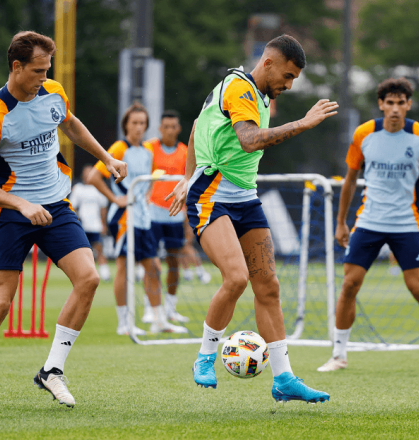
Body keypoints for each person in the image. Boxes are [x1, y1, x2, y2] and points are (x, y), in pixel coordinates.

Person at [0, 31, 127, 411]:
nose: (43, 76)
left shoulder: (52, 91)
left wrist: (106, 157)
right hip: (12, 215)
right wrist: (20, 204)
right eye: (36, 70)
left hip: (56, 206)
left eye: (46, 69)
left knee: (90, 278)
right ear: (16, 67)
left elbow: (71, 125)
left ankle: (52, 370)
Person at [167, 34, 338, 403]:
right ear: (269, 62)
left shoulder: (257, 94)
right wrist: (303, 124)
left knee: (269, 285)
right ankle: (204, 356)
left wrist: (185, 173)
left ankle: (284, 379)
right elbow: (248, 140)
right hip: (212, 195)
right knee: (236, 278)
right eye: (288, 76)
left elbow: (199, 123)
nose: (289, 85)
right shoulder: (240, 89)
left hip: (245, 197)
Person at [316, 77, 419, 373]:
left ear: (409, 105)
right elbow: (350, 180)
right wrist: (341, 222)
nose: (395, 108)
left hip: (407, 223)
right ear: (381, 104)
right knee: (349, 285)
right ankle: (339, 354)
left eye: (400, 103)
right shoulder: (364, 134)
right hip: (369, 221)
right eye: (389, 103)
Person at [88, 102, 187, 336]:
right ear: (126, 125)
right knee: (123, 266)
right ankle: (124, 323)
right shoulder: (119, 148)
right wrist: (115, 198)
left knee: (153, 265)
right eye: (134, 122)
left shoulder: (147, 151)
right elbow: (94, 176)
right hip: (123, 217)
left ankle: (158, 319)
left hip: (143, 216)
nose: (139, 127)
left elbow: (147, 184)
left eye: (142, 123)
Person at [143, 110, 190, 323]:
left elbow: (188, 185)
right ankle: (149, 307)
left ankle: (170, 308)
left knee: (174, 262)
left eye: (174, 126)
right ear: (160, 129)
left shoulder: (185, 152)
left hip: (175, 215)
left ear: (178, 129)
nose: (170, 130)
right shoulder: (150, 149)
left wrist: (188, 215)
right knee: (150, 263)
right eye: (166, 126)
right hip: (152, 211)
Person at [69, 164, 111, 281]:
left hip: (95, 225)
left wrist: (103, 224)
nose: (88, 175)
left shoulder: (98, 189)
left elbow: (103, 208)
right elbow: (73, 207)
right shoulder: (78, 189)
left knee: (99, 250)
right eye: (86, 172)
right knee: (80, 252)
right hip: (82, 226)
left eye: (90, 172)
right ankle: (80, 275)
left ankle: (105, 275)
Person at [180, 218, 212, 284]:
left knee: (187, 246)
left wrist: (188, 227)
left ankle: (200, 272)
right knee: (180, 248)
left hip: (187, 222)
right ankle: (187, 273)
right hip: (177, 223)